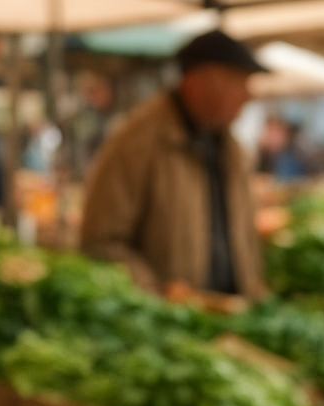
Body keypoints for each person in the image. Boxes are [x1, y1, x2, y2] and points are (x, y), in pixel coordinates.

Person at [80, 30, 266, 298]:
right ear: (197, 81)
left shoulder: (231, 149)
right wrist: (157, 294)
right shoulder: (138, 143)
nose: (248, 95)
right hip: (169, 318)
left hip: (231, 313)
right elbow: (101, 242)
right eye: (237, 81)